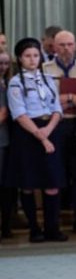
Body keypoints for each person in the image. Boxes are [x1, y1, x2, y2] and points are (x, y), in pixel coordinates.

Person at [4, 38, 66, 241]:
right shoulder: (16, 82)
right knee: (28, 182)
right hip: (28, 133)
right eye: (27, 56)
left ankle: (52, 227)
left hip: (49, 128)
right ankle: (34, 228)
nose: (32, 60)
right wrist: (41, 137)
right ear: (20, 59)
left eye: (36, 55)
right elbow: (20, 114)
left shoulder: (48, 79)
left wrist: (48, 130)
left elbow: (57, 108)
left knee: (52, 181)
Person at [42, 30, 76, 233]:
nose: (66, 49)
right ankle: (52, 224)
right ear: (54, 47)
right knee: (55, 174)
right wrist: (68, 99)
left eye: (70, 44)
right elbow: (43, 99)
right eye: (62, 45)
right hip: (54, 126)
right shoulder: (45, 69)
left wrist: (72, 99)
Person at [0, 49, 13, 239]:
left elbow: (4, 112)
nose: (2, 67)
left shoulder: (9, 83)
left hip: (7, 139)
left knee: (6, 185)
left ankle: (6, 225)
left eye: (5, 64)